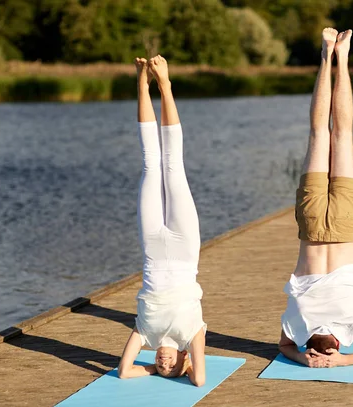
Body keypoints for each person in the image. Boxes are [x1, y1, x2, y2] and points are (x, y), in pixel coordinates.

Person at [278, 28, 353, 368]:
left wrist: (339, 361)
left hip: (343, 222)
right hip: (310, 225)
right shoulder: (296, 326)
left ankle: (342, 55)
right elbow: (284, 347)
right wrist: (303, 356)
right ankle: (326, 55)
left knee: (342, 133)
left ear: (337, 343)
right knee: (319, 132)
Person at [117, 55, 206, 386]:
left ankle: (142, 83)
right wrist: (187, 370)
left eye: (161, 366)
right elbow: (199, 381)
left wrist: (152, 371)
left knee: (151, 165)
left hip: (153, 249)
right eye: (172, 366)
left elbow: (125, 371)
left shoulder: (146, 334)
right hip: (184, 250)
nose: (164, 363)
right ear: (184, 360)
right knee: (173, 166)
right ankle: (165, 85)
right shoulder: (192, 334)